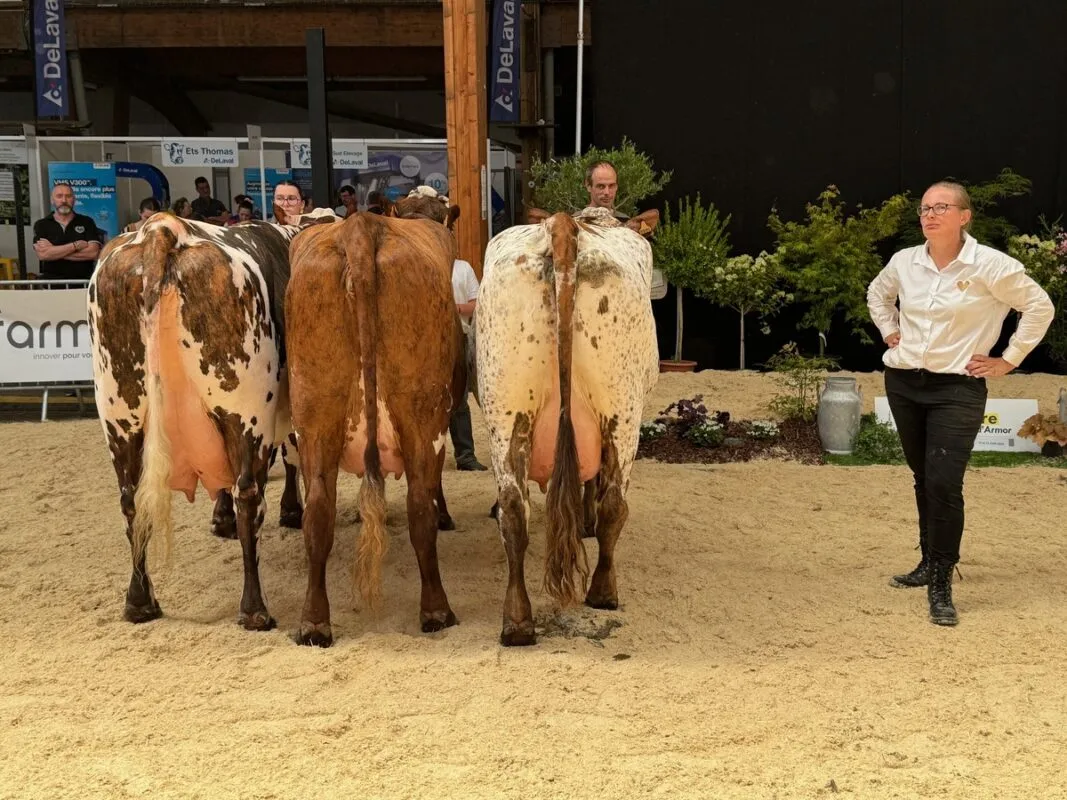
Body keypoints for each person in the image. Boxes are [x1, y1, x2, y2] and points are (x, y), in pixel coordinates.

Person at [866, 180, 1054, 627]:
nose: (929, 215)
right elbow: (878, 294)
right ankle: (928, 561)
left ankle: (942, 582)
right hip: (905, 382)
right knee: (922, 476)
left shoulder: (991, 265)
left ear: (964, 216)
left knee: (945, 483)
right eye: (925, 208)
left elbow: (1040, 307)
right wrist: (890, 331)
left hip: (957, 389)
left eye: (941, 207)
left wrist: (1008, 360)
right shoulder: (905, 262)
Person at [449, 257, 487, 471]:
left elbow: (477, 303)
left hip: (459, 335)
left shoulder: (463, 268)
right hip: (428, 338)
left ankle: (465, 456)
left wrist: (454, 308)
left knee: (460, 397)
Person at [32, 182, 103, 280]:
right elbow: (43, 254)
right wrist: (75, 245)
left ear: (74, 200)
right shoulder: (42, 224)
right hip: (51, 285)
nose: (64, 200)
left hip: (83, 284)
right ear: (52, 200)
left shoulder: (87, 222)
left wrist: (54, 252)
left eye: (68, 196)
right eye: (59, 196)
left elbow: (93, 253)